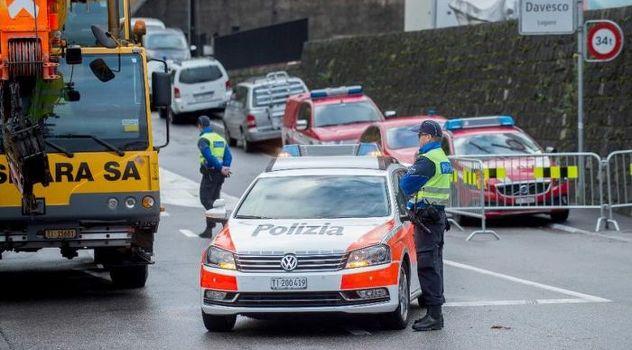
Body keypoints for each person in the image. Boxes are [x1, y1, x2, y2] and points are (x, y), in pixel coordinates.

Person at [400, 120, 452, 331]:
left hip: (427, 219)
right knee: (435, 263)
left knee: (427, 266)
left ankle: (434, 315)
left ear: (428, 137)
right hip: (437, 216)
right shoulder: (442, 158)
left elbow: (405, 184)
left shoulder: (427, 160)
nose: (418, 139)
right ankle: (435, 306)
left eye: (419, 135)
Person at [197, 115, 232, 238]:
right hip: (220, 174)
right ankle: (209, 229)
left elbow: (209, 156)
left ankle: (223, 220)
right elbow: (228, 156)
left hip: (211, 173)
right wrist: (225, 168)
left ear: (200, 126)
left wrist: (219, 167)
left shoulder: (203, 140)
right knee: (215, 200)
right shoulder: (220, 138)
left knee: (205, 199)